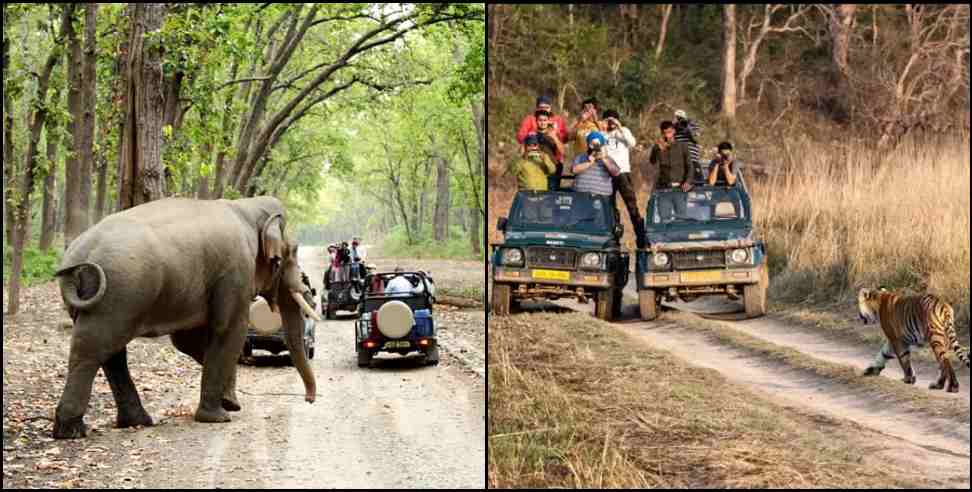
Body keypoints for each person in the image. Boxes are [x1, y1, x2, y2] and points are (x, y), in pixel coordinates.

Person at [602, 109, 647, 249]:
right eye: (608, 120)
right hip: (606, 174)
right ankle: (614, 239)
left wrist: (619, 126)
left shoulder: (623, 131)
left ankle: (641, 237)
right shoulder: (602, 133)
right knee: (609, 207)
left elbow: (632, 143)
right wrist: (602, 127)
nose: (611, 123)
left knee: (632, 205)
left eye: (613, 119)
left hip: (622, 173)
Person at [649, 121, 694, 222]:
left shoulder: (683, 146)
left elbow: (690, 166)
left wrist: (688, 181)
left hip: (680, 189)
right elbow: (652, 162)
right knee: (664, 219)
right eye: (664, 133)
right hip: (664, 189)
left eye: (669, 132)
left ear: (673, 131)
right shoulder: (657, 147)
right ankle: (666, 238)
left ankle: (680, 237)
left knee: (681, 218)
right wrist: (657, 149)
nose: (667, 135)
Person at [572, 131, 621, 197]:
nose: (595, 148)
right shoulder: (580, 157)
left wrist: (604, 159)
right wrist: (589, 163)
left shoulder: (607, 158)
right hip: (580, 195)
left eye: (598, 145)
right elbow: (574, 170)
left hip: (601, 197)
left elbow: (616, 172)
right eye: (592, 144)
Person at [569, 97, 602, 163]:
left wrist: (595, 120)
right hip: (579, 160)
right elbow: (569, 137)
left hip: (595, 160)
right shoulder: (577, 123)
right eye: (585, 108)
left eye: (591, 108)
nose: (588, 110)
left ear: (596, 110)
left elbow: (604, 135)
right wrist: (580, 121)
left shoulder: (600, 124)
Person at [673, 109, 703, 181]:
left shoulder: (693, 126)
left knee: (697, 183)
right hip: (679, 162)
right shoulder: (674, 128)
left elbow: (697, 140)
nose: (680, 121)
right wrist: (674, 126)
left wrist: (688, 129)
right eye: (678, 118)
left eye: (681, 118)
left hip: (692, 160)